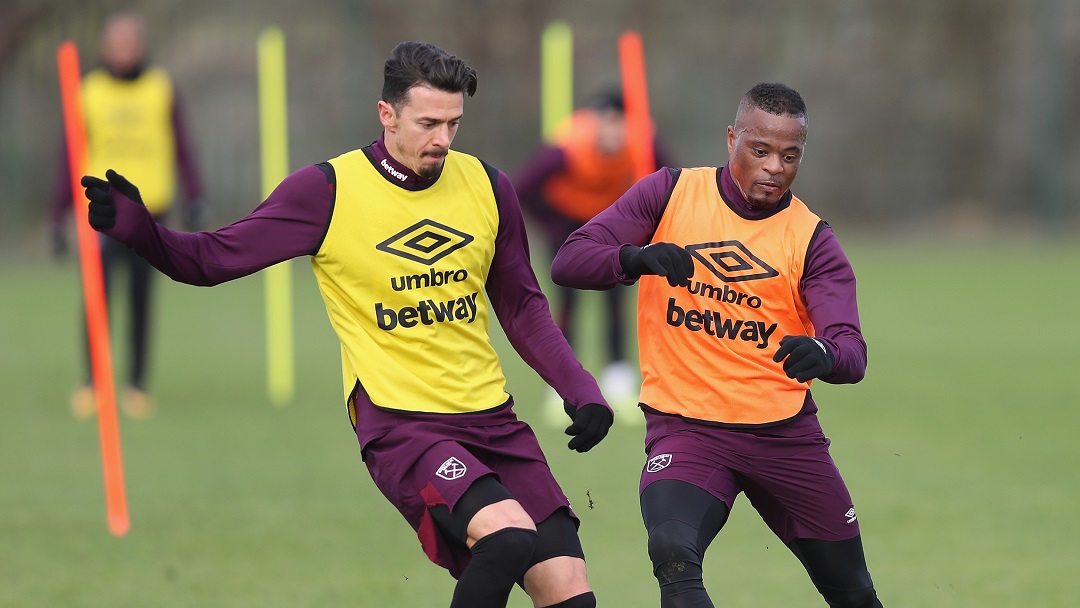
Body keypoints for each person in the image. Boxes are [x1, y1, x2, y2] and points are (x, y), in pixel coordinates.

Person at [81, 41, 612, 608]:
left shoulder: (489, 187)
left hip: (492, 416)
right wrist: (145, 233)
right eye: (428, 123)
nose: (442, 139)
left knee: (569, 592)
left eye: (454, 123)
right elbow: (212, 259)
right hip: (403, 424)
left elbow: (523, 306)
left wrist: (579, 389)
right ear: (387, 114)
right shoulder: (327, 192)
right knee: (505, 539)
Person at [551, 83, 884, 607]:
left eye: (789, 155)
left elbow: (850, 351)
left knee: (853, 592)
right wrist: (635, 259)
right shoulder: (670, 192)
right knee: (672, 550)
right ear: (731, 139)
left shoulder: (813, 239)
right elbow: (570, 260)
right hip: (687, 429)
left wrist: (822, 354)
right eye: (760, 150)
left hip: (784, 437)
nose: (774, 167)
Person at [51, 12, 205, 420]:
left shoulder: (160, 88)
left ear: (141, 46)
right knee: (97, 300)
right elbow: (69, 152)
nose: (124, 51)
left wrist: (194, 194)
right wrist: (57, 215)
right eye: (117, 43)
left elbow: (181, 143)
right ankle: (92, 384)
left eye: (131, 43)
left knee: (141, 299)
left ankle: (136, 386)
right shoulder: (89, 91)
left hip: (148, 210)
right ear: (105, 47)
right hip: (100, 211)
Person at [514, 91, 672, 420]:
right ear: (594, 122)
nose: (613, 132)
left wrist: (646, 221)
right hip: (568, 227)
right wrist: (553, 225)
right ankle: (561, 389)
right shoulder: (568, 148)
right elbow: (523, 187)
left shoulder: (642, 142)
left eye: (620, 124)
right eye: (606, 123)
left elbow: (673, 181)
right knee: (567, 305)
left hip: (610, 227)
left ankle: (618, 380)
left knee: (616, 304)